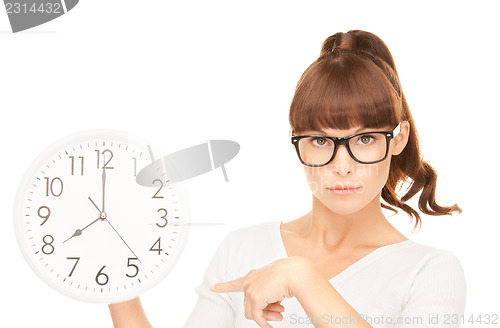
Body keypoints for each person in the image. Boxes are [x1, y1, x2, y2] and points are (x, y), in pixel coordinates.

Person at [108, 30, 467, 328]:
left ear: (398, 138)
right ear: (297, 140)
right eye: (321, 141)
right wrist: (114, 279)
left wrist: (304, 278)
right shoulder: (241, 249)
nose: (342, 166)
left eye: (365, 139)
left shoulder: (430, 272)